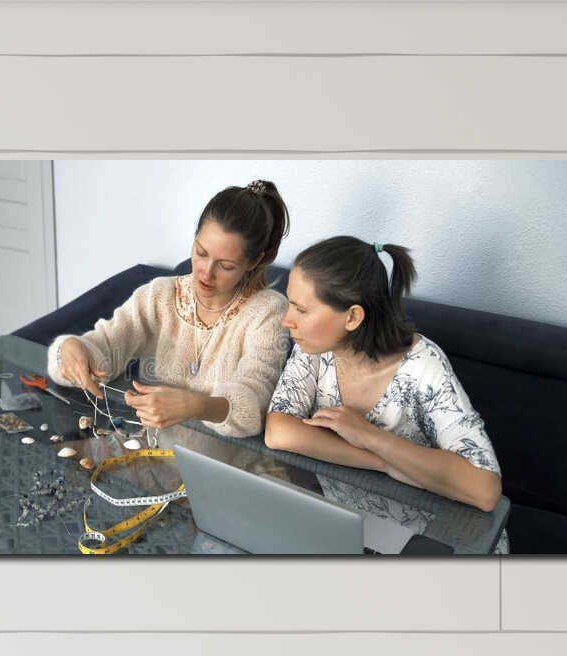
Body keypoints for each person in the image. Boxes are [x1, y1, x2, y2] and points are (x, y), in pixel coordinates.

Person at [263, 237, 501, 513]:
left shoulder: (423, 366)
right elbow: (278, 431)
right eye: (290, 304)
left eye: (301, 309)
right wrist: (384, 462)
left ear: (352, 317)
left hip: (423, 533)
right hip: (342, 520)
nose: (286, 320)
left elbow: (485, 489)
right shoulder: (314, 347)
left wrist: (370, 436)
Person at [47, 181, 291, 439]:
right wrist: (73, 350)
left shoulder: (268, 311)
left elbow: (254, 406)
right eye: (201, 252)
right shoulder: (160, 296)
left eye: (226, 266)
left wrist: (197, 406)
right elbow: (104, 350)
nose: (206, 272)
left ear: (254, 261)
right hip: (148, 454)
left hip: (225, 464)